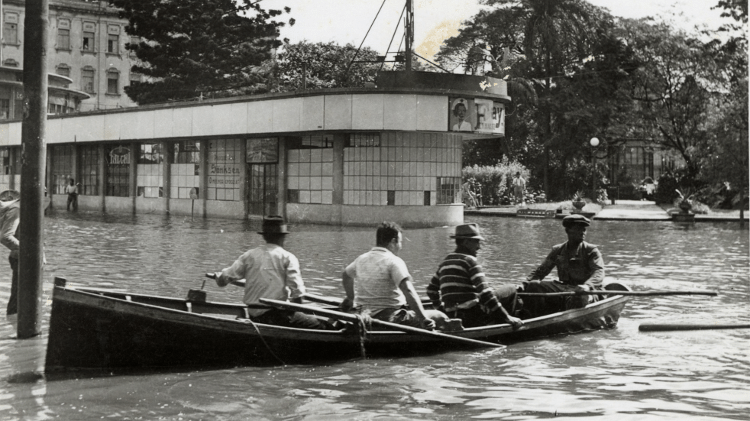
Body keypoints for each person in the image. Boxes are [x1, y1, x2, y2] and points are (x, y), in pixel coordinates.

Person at [211, 215, 331, 329]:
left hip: (254, 314)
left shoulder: (249, 255)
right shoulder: (288, 257)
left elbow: (223, 280)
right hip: (276, 316)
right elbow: (298, 294)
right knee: (325, 326)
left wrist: (219, 277)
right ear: (283, 237)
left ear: (264, 236)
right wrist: (296, 312)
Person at [341, 221, 446, 330]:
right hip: (389, 318)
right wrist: (423, 318)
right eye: (400, 242)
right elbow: (408, 290)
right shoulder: (394, 261)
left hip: (364, 315)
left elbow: (346, 275)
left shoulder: (361, 259)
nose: (400, 247)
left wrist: (350, 298)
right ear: (393, 241)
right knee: (439, 316)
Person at [426, 223, 523, 329]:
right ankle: (504, 323)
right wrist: (507, 317)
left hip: (451, 315)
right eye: (476, 242)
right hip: (472, 316)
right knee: (511, 288)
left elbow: (431, 290)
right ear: (466, 242)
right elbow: (486, 294)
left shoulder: (446, 261)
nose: (479, 247)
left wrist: (441, 310)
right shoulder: (469, 261)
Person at [522, 214, 604, 318]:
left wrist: (587, 286)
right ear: (568, 231)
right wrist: (525, 284)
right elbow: (540, 272)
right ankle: (531, 318)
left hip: (587, 292)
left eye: (584, 230)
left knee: (578, 297)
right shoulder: (557, 250)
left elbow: (599, 272)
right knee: (534, 285)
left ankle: (568, 319)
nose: (583, 233)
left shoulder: (591, 250)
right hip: (565, 288)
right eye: (578, 229)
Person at [1, 189, 50, 328]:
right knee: (17, 302)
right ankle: (14, 330)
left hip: (32, 258)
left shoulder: (29, 209)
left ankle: (20, 331)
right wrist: (31, 251)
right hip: (22, 259)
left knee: (31, 299)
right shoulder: (17, 209)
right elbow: (5, 236)